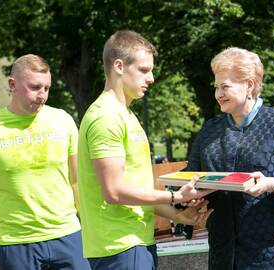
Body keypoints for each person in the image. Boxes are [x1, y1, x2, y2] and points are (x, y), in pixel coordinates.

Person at [77, 30, 212, 270]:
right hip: (119, 246)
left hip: (135, 243)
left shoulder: (126, 115)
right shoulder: (106, 117)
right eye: (144, 70)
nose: (151, 78)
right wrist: (176, 197)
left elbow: (137, 192)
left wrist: (179, 215)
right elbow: (115, 192)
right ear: (119, 66)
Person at [185, 47, 274, 269]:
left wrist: (272, 184)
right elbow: (191, 174)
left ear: (249, 85)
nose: (218, 93)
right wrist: (189, 194)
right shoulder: (210, 130)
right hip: (225, 256)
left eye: (225, 86)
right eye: (216, 87)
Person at [0, 54, 90, 270]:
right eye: (34, 87)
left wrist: (89, 229)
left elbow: (78, 181)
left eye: (46, 88)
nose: (42, 95)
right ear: (12, 84)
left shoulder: (63, 120)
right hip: (17, 244)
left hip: (68, 236)